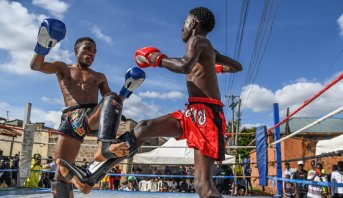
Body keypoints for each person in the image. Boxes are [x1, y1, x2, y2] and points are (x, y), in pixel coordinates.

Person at [57, 6, 242, 198]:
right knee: (144, 128)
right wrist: (214, 65)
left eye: (184, 23)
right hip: (193, 111)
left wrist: (156, 58)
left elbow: (185, 65)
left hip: (207, 114)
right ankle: (91, 176)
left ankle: (97, 164)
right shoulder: (207, 47)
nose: (182, 28)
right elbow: (237, 66)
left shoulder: (198, 40)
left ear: (193, 23)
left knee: (203, 186)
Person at [30, 18, 146, 197]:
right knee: (60, 170)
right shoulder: (63, 68)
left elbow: (111, 100)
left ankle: (106, 146)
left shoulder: (99, 76)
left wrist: (126, 91)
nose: (91, 54)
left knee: (113, 98)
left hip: (92, 116)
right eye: (87, 49)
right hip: (70, 120)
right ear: (76, 50)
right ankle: (86, 180)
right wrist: (44, 44)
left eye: (94, 52)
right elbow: (36, 66)